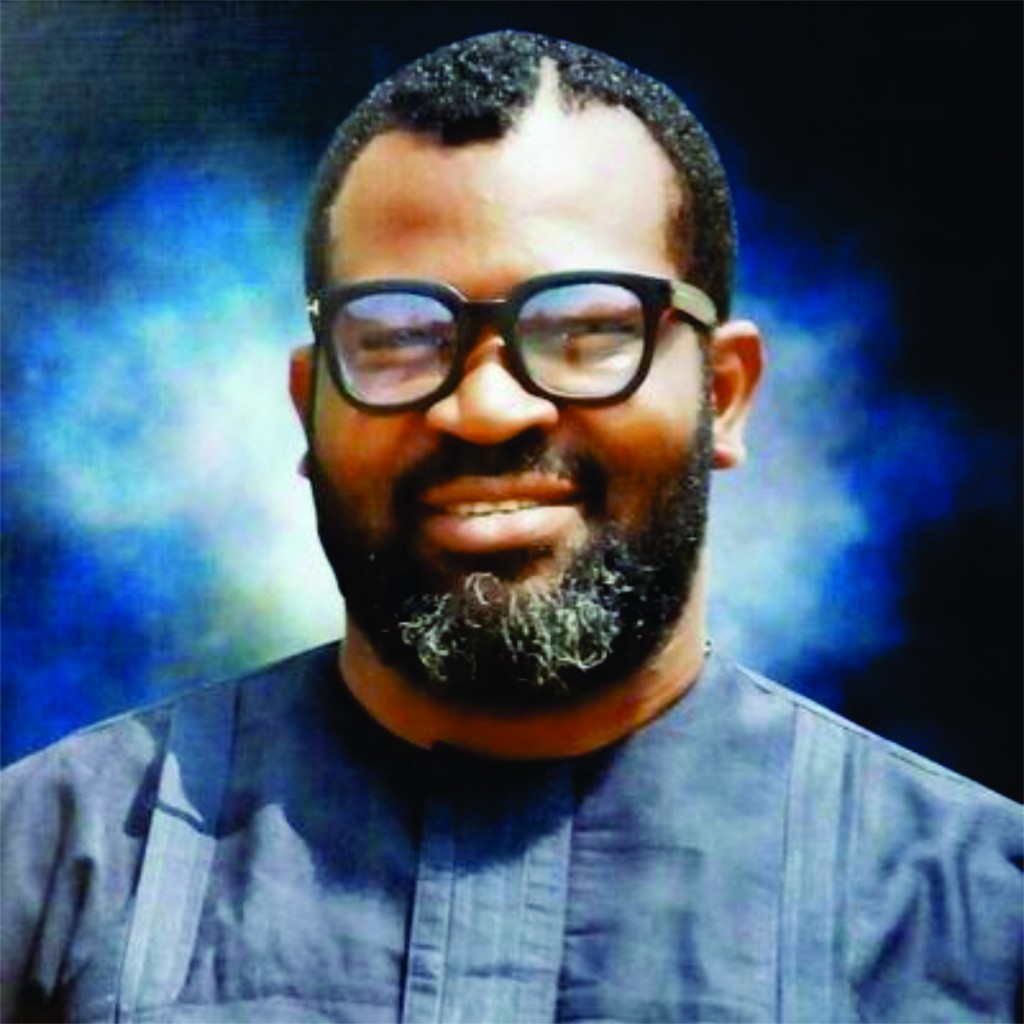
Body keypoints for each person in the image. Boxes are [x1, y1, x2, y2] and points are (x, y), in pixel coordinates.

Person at [2, 29, 1020, 1024]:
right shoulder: (47, 870)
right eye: (399, 336)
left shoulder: (978, 917)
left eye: (584, 329)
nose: (485, 410)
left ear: (724, 393)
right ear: (310, 406)